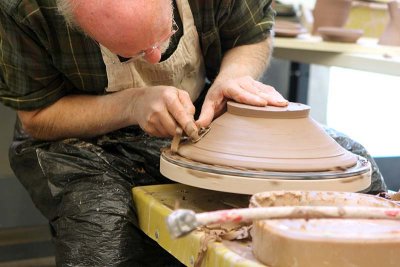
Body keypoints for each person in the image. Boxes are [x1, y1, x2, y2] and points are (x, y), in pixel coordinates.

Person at [0, 0, 386, 266]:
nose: (155, 58)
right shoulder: (25, 10)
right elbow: (38, 116)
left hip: (200, 119)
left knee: (356, 172)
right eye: (130, 52)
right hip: (83, 140)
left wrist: (233, 78)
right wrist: (131, 104)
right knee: (101, 230)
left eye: (162, 37)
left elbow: (252, 35)